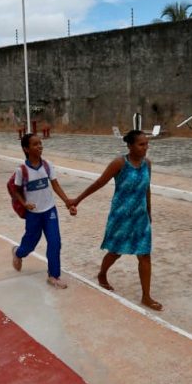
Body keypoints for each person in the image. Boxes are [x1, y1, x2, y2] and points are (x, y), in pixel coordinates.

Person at [71, 129, 161, 311]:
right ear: (130, 146)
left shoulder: (147, 164)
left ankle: (146, 296)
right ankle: (102, 274)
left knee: (144, 255)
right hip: (120, 217)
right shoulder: (119, 163)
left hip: (140, 218)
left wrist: (149, 213)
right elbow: (98, 183)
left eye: (146, 144)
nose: (146, 148)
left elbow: (147, 190)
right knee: (115, 252)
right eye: (141, 144)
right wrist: (77, 200)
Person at [10, 133, 76, 288]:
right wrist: (24, 204)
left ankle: (53, 275)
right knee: (30, 244)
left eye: (40, 143)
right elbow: (16, 191)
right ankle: (18, 253)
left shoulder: (47, 165)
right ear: (26, 149)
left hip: (49, 211)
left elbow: (55, 185)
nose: (39, 146)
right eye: (35, 144)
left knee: (55, 242)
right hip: (33, 214)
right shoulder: (21, 170)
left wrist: (68, 202)